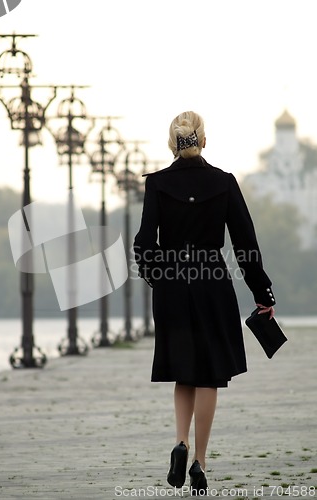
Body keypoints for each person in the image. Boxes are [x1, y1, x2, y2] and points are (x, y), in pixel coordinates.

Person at [133, 110, 275, 494]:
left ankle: (178, 441)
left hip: (173, 285)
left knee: (183, 369)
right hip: (213, 283)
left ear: (172, 142)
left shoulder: (158, 184)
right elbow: (246, 246)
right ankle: (199, 461)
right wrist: (263, 295)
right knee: (210, 374)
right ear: (204, 140)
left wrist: (156, 276)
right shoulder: (224, 183)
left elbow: (144, 243)